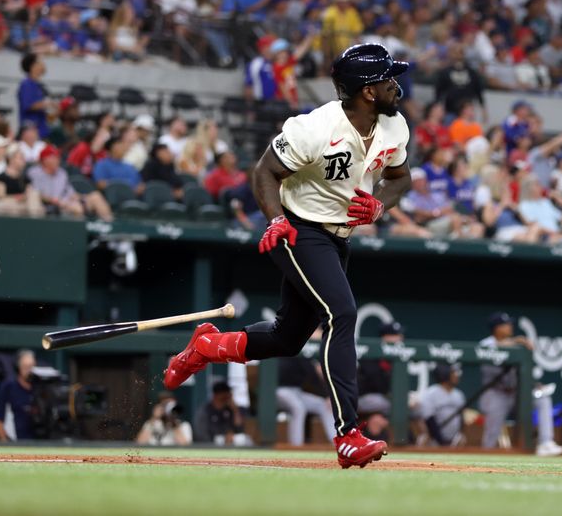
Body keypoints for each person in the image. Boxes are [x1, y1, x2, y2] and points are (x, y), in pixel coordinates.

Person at [163, 44, 412, 469]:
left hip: (337, 237)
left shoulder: (394, 126)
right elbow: (264, 172)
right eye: (388, 78)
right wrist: (275, 220)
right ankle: (348, 435)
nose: (396, 84)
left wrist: (381, 205)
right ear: (368, 91)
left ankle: (208, 345)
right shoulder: (315, 127)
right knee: (341, 313)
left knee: (288, 338)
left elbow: (400, 177)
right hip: (298, 229)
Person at [479, 312, 562, 456]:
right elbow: (494, 348)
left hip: (516, 394)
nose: (510, 326)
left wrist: (534, 384)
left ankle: (546, 442)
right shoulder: (486, 343)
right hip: (496, 394)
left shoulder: (516, 345)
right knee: (491, 436)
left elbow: (522, 372)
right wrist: (516, 342)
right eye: (506, 324)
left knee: (542, 398)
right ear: (497, 328)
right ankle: (483, 457)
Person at [276, 328, 335, 446]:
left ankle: (337, 443)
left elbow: (315, 376)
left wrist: (327, 396)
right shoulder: (297, 344)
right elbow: (312, 375)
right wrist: (326, 394)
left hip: (296, 391)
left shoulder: (310, 353)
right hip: (278, 390)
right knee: (298, 408)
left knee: (324, 405)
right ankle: (296, 446)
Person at [27, 145, 113, 221]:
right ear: (45, 159)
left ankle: (109, 227)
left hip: (67, 201)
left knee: (96, 196)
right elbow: (37, 194)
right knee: (77, 208)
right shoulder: (35, 173)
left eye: (57, 157)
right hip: (53, 205)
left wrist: (80, 197)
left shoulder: (61, 173)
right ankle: (80, 234)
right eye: (53, 157)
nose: (57, 160)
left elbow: (70, 192)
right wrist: (57, 201)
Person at [0, 349, 37, 441]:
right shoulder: (8, 386)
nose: (29, 371)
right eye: (26, 367)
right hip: (15, 442)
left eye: (31, 367)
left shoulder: (40, 387)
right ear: (18, 367)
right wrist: (5, 443)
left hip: (40, 443)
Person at [435, 43, 486, 119]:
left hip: (467, 111)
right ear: (451, 54)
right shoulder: (445, 72)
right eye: (455, 52)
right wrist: (439, 107)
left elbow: (478, 91)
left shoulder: (471, 72)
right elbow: (439, 92)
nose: (458, 55)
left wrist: (483, 109)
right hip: (450, 110)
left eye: (460, 52)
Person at [419, 364, 465, 447]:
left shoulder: (459, 395)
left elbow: (462, 418)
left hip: (455, 440)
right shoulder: (431, 393)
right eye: (453, 373)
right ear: (444, 374)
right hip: (433, 440)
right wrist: (441, 442)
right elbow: (429, 420)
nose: (456, 375)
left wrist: (461, 435)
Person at [193, 381, 250, 446]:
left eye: (228, 393)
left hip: (232, 445)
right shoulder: (205, 411)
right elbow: (201, 436)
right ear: (216, 395)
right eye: (225, 393)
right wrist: (223, 439)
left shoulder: (231, 409)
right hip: (211, 446)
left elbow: (239, 429)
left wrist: (235, 411)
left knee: (246, 440)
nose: (228, 395)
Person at [18, 53, 54, 139]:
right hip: (31, 132)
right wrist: (48, 104)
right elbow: (28, 105)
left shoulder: (39, 85)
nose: (43, 64)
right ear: (32, 66)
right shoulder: (26, 84)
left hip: (42, 130)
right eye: (39, 62)